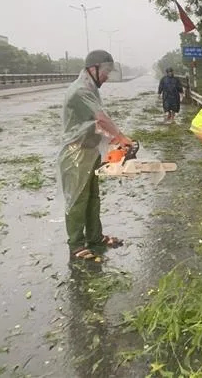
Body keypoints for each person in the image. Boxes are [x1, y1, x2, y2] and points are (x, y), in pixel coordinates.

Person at [57, 50, 133, 261]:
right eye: (106, 71)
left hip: (89, 151)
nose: (107, 76)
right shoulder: (80, 90)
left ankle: (95, 237)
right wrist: (120, 136)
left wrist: (114, 141)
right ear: (94, 68)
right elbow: (100, 118)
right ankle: (76, 244)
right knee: (78, 199)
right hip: (76, 153)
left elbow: (95, 124)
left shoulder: (91, 88)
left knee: (93, 198)